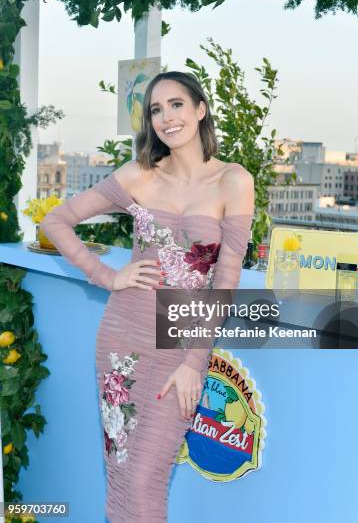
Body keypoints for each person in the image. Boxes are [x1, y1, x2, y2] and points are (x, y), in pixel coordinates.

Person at [40, 71, 255, 522]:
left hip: (178, 346)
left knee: (145, 480)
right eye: (156, 110)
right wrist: (106, 275)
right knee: (122, 477)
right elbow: (55, 222)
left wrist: (194, 363)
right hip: (121, 340)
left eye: (176, 105)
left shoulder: (233, 181)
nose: (166, 117)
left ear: (200, 110)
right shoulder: (137, 175)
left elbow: (225, 282)